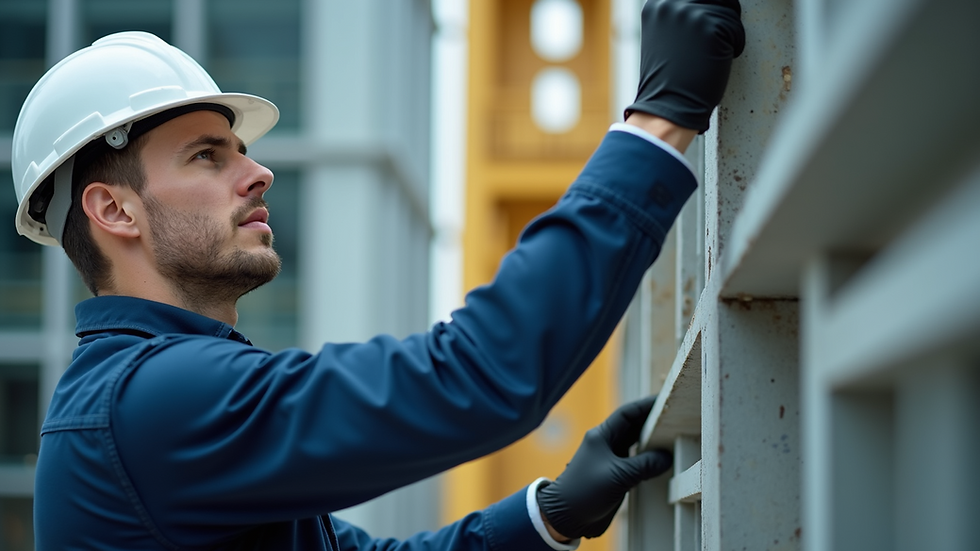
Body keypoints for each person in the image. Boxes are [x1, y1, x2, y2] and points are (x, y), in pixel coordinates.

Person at [11, 0, 743, 548]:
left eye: (241, 150)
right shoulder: (157, 402)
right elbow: (475, 374)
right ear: (114, 209)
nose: (258, 171)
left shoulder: (148, 395)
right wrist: (656, 126)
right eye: (209, 155)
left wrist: (547, 514)